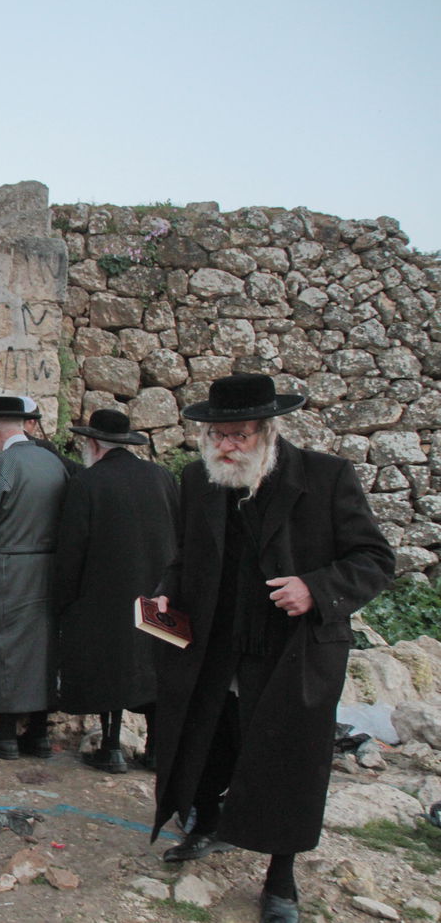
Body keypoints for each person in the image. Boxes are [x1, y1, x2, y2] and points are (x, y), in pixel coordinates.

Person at [149, 374, 393, 923]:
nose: (224, 446)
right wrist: (164, 594)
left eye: (236, 435)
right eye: (216, 436)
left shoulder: (327, 478)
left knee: (288, 762)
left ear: (266, 430)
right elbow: (185, 557)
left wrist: (316, 588)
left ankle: (281, 879)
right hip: (213, 644)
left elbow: (375, 559)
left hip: (292, 651)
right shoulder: (196, 480)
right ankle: (206, 825)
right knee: (204, 739)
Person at [52, 409, 177, 773]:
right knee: (153, 666)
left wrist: (64, 599)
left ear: (92, 443)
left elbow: (72, 548)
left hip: (105, 595)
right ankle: (155, 749)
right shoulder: (163, 477)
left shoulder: (88, 482)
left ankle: (112, 748)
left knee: (111, 668)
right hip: (159, 591)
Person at [0, 395, 71, 760]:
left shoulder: (0, 466)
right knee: (41, 645)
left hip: (8, 566)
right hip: (48, 565)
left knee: (2, 643)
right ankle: (37, 732)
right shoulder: (54, 463)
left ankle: (5, 733)